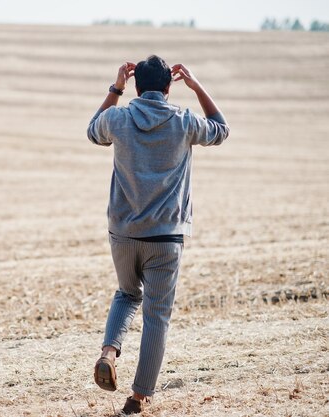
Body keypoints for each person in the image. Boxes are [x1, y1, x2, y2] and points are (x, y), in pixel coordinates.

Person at [87, 55, 230, 414]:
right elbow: (221, 128)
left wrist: (115, 88)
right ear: (169, 87)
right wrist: (196, 86)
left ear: (135, 86)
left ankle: (108, 352)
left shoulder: (118, 118)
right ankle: (138, 397)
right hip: (166, 238)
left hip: (122, 233)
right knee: (156, 317)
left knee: (126, 293)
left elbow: (93, 130)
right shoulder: (183, 121)